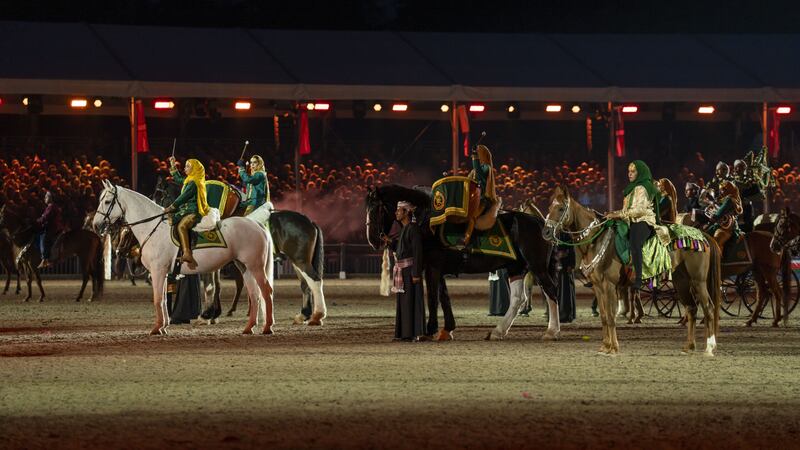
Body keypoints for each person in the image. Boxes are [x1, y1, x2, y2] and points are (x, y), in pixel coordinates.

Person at [606, 160, 661, 289]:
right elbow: (627, 210)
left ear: (640, 172)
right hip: (632, 219)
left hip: (644, 220)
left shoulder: (643, 187)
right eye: (628, 172)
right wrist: (613, 214)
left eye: (633, 172)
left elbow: (639, 211)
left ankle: (639, 278)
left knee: (635, 243)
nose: (629, 174)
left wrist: (618, 214)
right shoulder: (633, 188)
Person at [165, 157, 210, 269]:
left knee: (181, 226)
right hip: (185, 210)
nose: (185, 168)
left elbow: (183, 197)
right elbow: (179, 179)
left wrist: (172, 206)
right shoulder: (189, 180)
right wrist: (173, 165)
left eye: (187, 166)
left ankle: (187, 253)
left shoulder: (194, 183)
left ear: (194, 168)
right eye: (185, 166)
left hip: (193, 211)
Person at [391, 201, 425, 341]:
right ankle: (403, 333)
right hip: (402, 271)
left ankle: (411, 334)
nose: (396, 212)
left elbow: (417, 253)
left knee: (410, 303)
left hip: (410, 271)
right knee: (403, 303)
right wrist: (389, 242)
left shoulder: (413, 229)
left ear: (406, 212)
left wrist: (416, 273)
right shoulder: (405, 228)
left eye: (399, 210)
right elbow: (403, 248)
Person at [463, 144, 497, 246]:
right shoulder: (474, 170)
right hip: (473, 198)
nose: (475, 156)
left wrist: (474, 157)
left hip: (483, 198)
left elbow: (479, 173)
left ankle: (467, 239)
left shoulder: (487, 168)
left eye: (478, 154)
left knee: (472, 215)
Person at [707, 180, 743, 252]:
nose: (721, 192)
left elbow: (719, 214)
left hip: (726, 228)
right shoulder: (727, 199)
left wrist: (710, 216)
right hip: (724, 225)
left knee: (714, 244)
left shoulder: (729, 199)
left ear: (729, 190)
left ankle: (717, 262)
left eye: (723, 190)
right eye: (721, 190)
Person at [35, 190, 64, 269]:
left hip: (52, 228)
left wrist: (36, 221)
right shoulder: (51, 206)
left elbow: (45, 217)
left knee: (43, 237)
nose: (44, 198)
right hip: (52, 227)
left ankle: (44, 259)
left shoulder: (51, 207)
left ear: (50, 198)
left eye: (46, 197)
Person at [732, 159, 761, 233]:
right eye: (739, 167)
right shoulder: (731, 182)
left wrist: (749, 199)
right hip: (734, 210)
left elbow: (760, 195)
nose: (742, 169)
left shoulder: (750, 182)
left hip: (747, 211)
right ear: (735, 168)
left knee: (748, 232)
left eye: (743, 167)